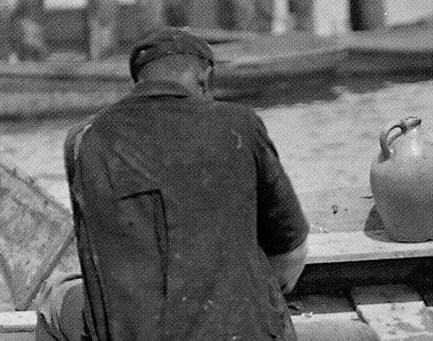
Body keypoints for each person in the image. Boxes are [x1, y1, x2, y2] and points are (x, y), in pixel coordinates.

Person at [46, 28, 312, 340]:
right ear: (205, 79)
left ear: (137, 83)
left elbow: (93, 255)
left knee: (53, 296)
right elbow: (291, 253)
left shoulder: (86, 139)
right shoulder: (242, 124)